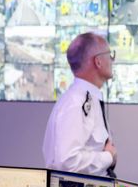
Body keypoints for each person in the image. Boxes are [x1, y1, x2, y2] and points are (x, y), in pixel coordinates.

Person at [43, 32, 117, 176]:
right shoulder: (77, 103)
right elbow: (67, 161)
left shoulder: (87, 98)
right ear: (98, 62)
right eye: (110, 55)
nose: (113, 60)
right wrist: (108, 157)